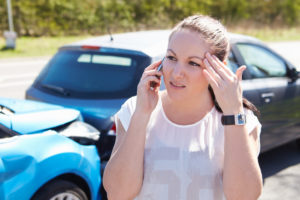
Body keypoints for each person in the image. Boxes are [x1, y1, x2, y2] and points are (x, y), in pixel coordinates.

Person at [103, 15, 263, 200]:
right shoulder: (134, 109)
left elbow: (244, 197)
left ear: (219, 68)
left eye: (193, 63)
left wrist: (233, 113)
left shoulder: (241, 119)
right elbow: (117, 193)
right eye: (171, 57)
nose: (176, 73)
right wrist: (142, 114)